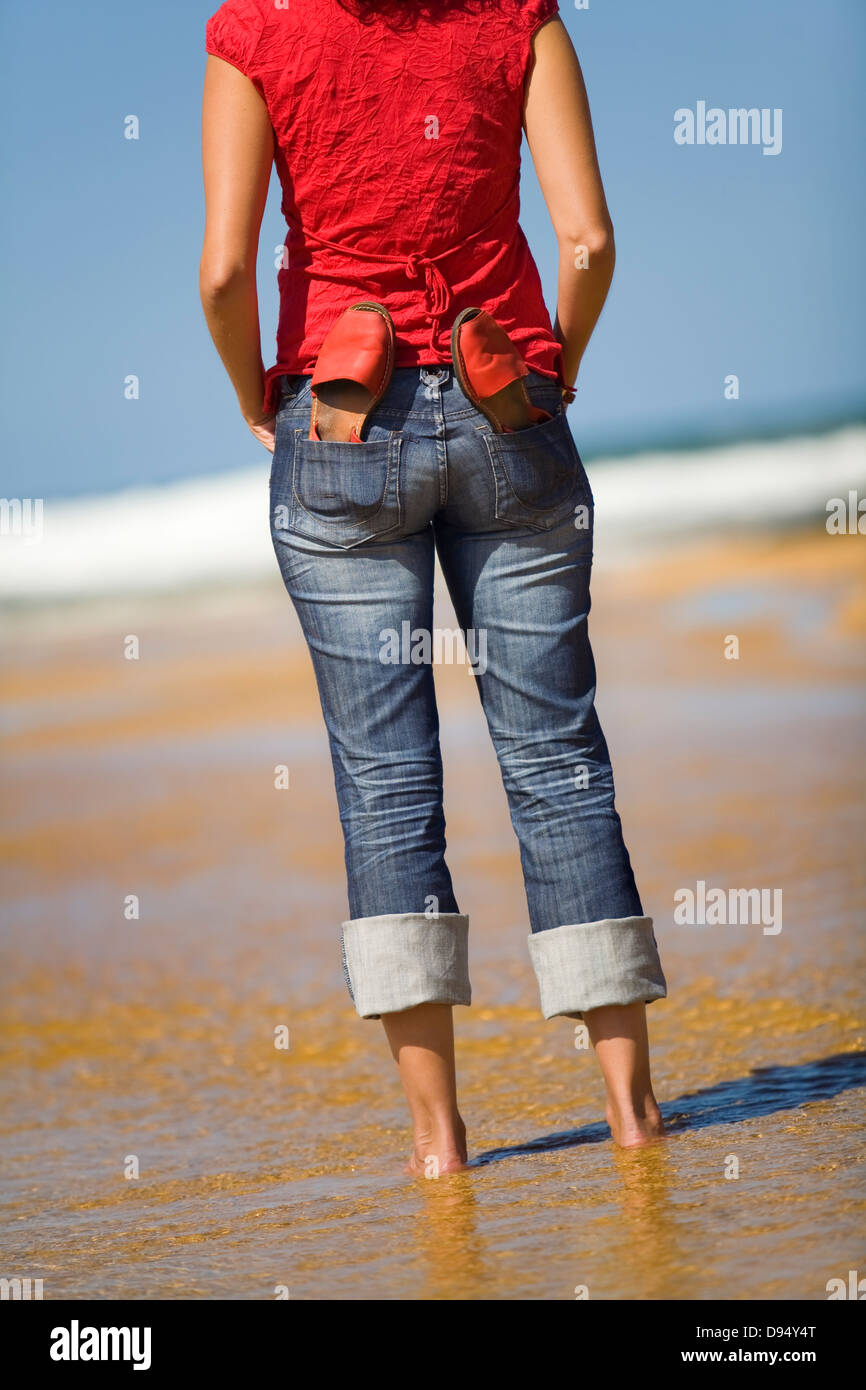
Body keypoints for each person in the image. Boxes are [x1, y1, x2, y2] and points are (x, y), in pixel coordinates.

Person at [200, 0, 667, 1171]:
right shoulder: (518, 18)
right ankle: (630, 1114)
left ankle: (437, 1142)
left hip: (340, 419)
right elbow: (590, 241)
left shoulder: (254, 30)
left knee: (384, 784)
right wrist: (556, 361)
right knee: (557, 759)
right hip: (506, 400)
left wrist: (257, 399)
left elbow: (220, 271)